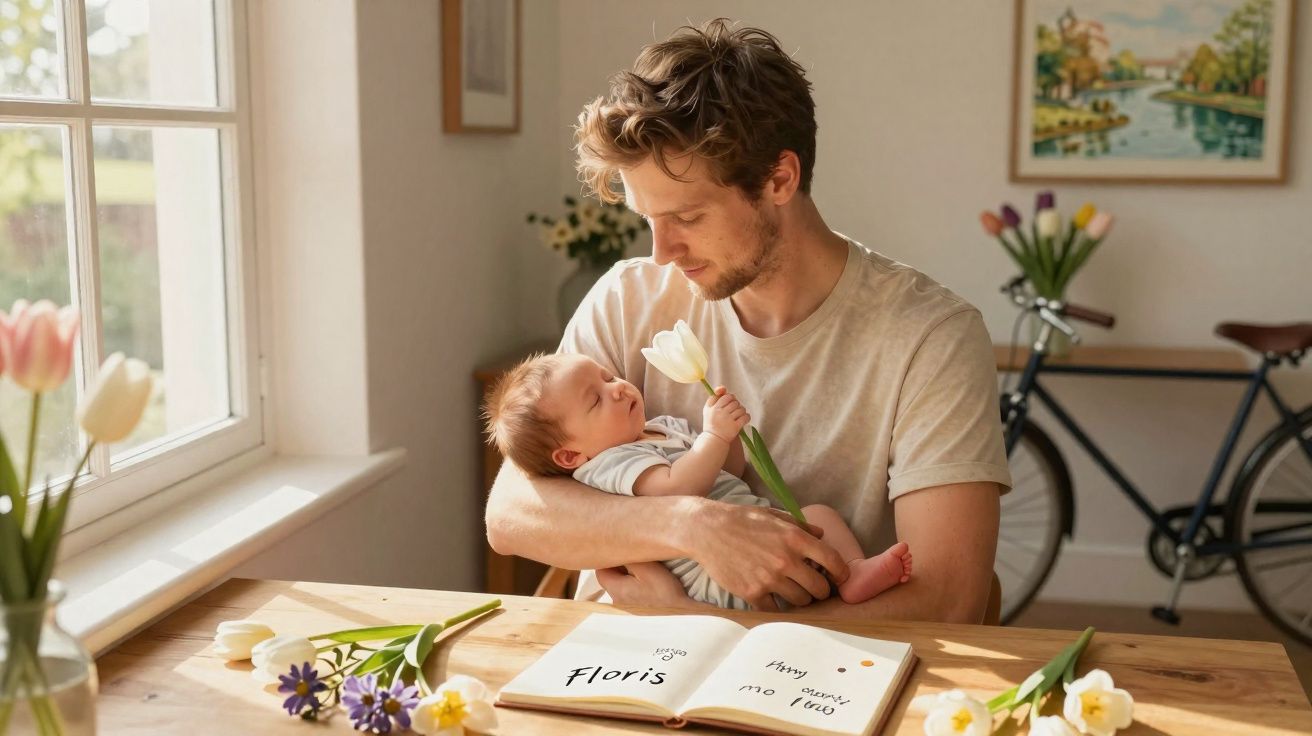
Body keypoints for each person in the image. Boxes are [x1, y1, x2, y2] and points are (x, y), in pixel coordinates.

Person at [485, 18, 1010, 621]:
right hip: (617, 677)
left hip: (815, 689)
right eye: (646, 219)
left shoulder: (931, 339)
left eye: (686, 216)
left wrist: (695, 620)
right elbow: (512, 516)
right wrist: (693, 524)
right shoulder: (626, 298)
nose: (660, 253)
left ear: (779, 179)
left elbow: (949, 600)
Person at [483, 351, 915, 610]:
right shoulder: (608, 465)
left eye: (608, 376)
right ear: (571, 455)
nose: (617, 388)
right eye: (596, 399)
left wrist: (728, 442)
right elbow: (675, 491)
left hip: (755, 532)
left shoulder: (661, 427)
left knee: (818, 515)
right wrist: (712, 436)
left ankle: (852, 573)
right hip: (709, 574)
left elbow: (730, 473)